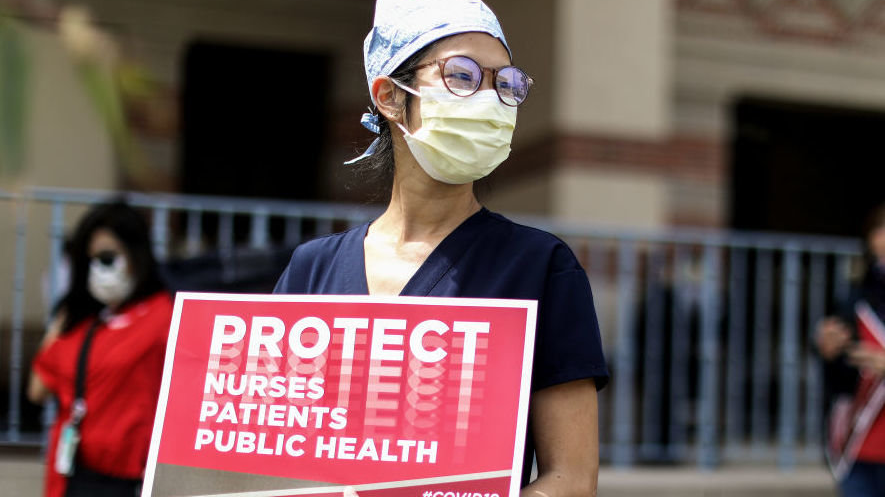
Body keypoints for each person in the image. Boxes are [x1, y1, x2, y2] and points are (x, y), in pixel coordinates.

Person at [274, 1, 609, 495]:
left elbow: (572, 478)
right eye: (463, 75)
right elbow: (261, 448)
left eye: (505, 83)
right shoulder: (311, 271)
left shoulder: (540, 268)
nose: (490, 99)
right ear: (389, 96)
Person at [28, 201, 173, 497]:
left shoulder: (164, 315)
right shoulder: (83, 323)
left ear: (135, 254)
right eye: (89, 260)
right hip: (72, 472)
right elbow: (38, 389)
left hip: (129, 477)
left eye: (107, 257)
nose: (98, 269)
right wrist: (63, 318)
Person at [817, 203, 885, 497]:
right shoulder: (854, 300)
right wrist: (828, 353)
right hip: (862, 448)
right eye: (881, 227)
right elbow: (841, 384)